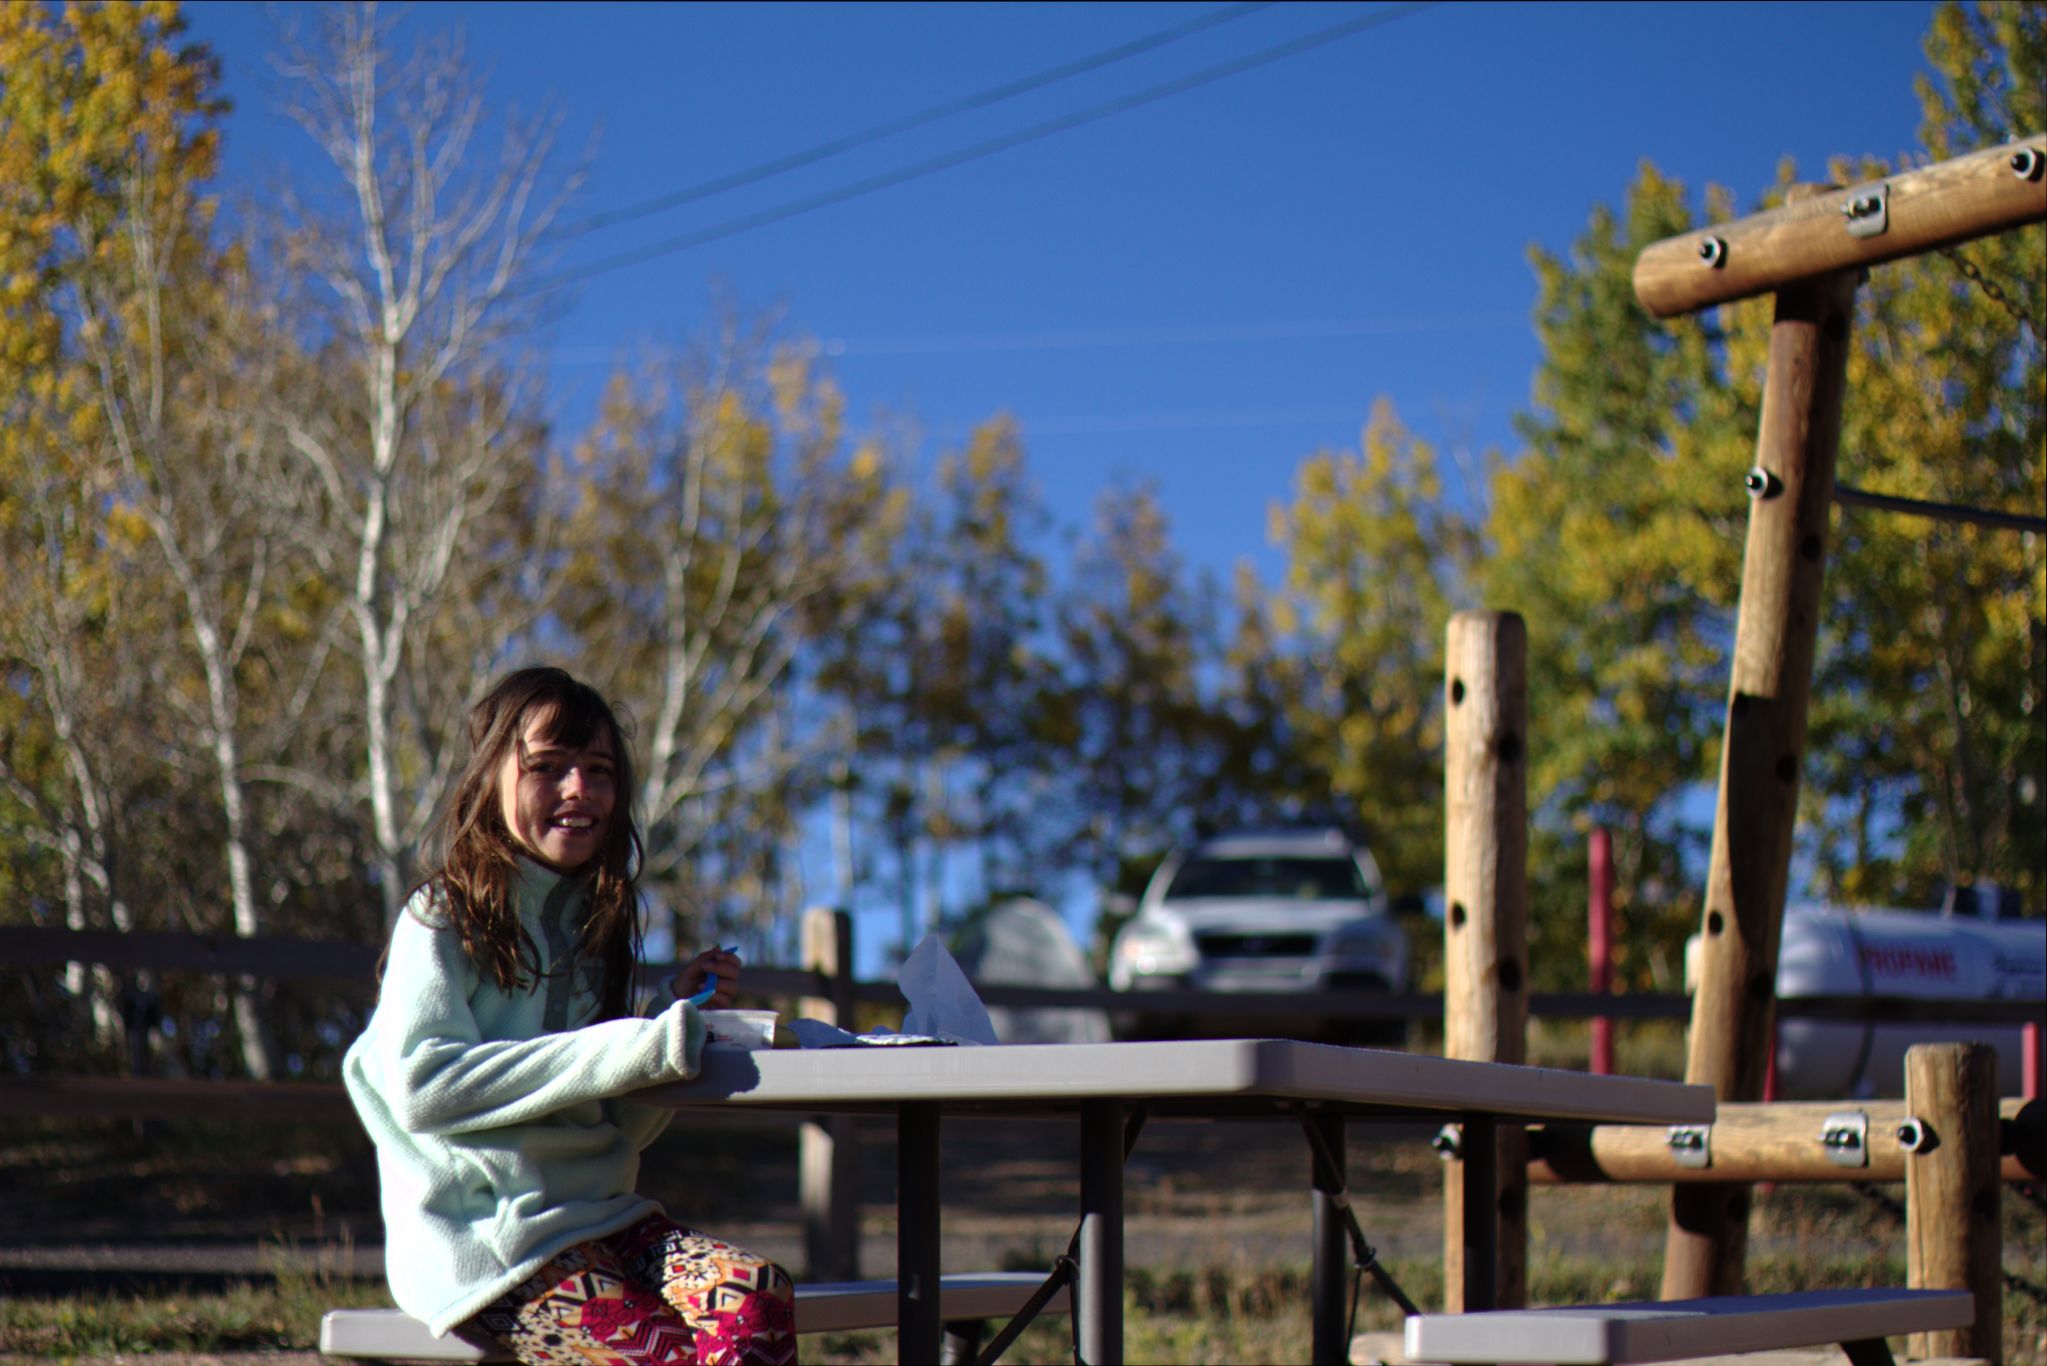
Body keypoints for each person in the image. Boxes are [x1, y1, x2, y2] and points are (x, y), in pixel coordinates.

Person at [344, 666, 797, 1365]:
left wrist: (669, 1024)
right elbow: (422, 1087)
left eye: (598, 769)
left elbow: (616, 1121)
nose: (579, 789)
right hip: (492, 1247)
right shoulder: (440, 918)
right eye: (548, 767)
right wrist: (632, 1046)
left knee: (755, 1292)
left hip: (606, 1221)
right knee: (661, 1351)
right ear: (489, 780)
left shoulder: (597, 931)